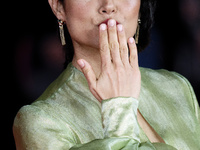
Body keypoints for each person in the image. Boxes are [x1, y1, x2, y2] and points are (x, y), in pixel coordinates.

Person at [13, 0, 200, 149]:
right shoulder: (40, 122)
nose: (108, 6)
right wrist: (118, 108)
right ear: (58, 6)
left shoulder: (176, 87)